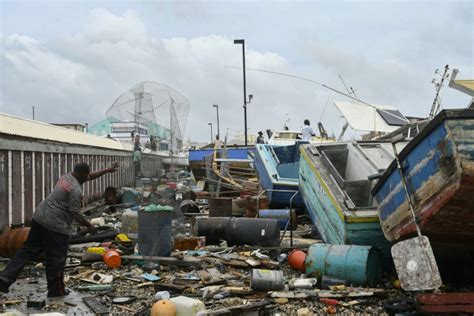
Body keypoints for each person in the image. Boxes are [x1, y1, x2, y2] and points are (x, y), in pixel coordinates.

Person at [0, 162, 119, 297]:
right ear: (82, 175)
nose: (88, 177)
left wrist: (107, 170)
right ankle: (56, 290)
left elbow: (90, 175)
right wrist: (89, 225)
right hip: (55, 225)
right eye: (86, 175)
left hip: (39, 217)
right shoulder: (75, 190)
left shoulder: (67, 177)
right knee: (56, 258)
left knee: (27, 250)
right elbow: (75, 212)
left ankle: (5, 278)